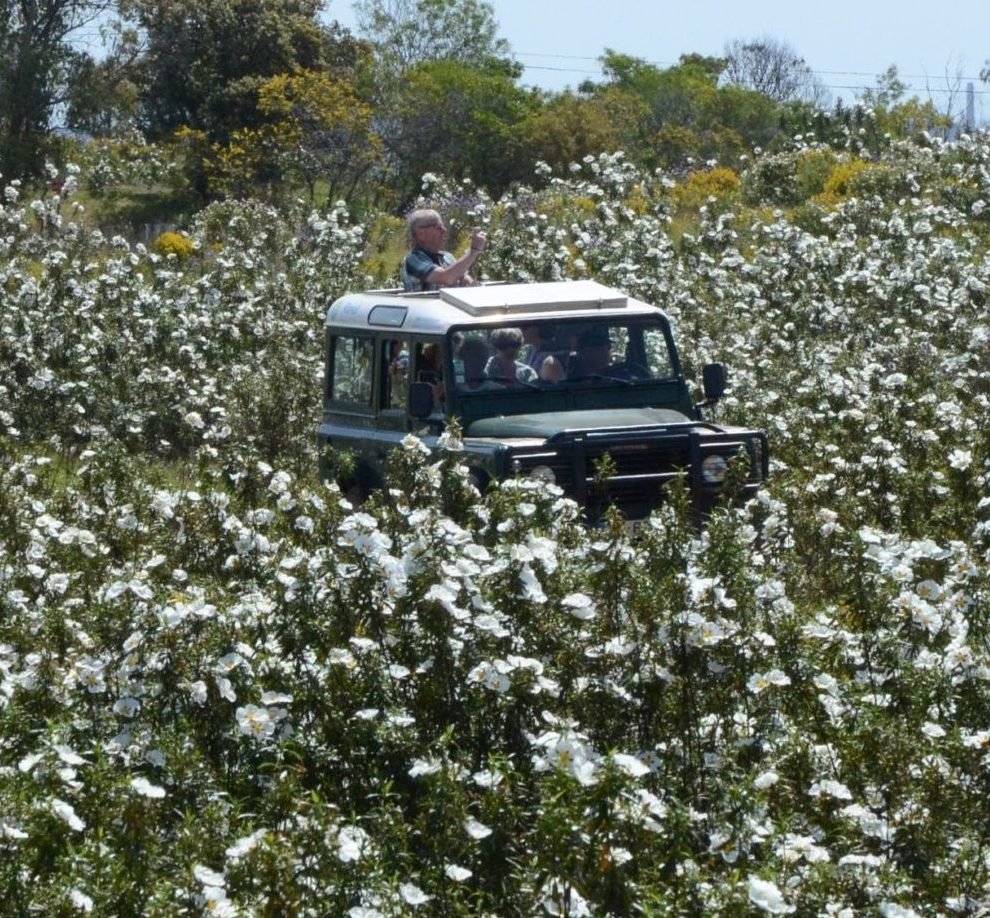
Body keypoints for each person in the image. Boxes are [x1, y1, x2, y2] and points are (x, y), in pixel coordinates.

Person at [401, 208, 487, 292]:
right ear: (421, 234)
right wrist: (474, 251)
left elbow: (462, 278)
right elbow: (446, 278)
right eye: (438, 227)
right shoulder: (414, 259)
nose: (444, 230)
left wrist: (468, 281)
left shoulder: (447, 257)